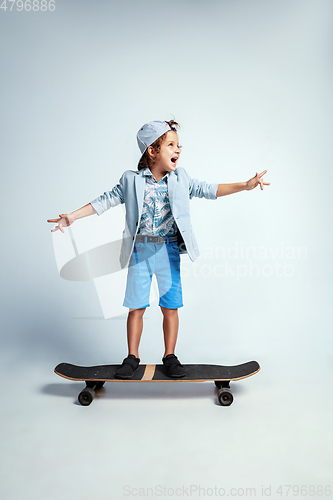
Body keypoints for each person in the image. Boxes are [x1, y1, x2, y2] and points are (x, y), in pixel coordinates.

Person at [47, 119, 269, 379]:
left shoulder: (181, 178)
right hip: (140, 251)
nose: (178, 150)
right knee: (136, 307)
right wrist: (72, 217)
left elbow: (208, 189)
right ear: (152, 151)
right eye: (171, 145)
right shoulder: (131, 180)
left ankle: (170, 356)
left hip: (169, 250)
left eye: (179, 145)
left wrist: (244, 185)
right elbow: (105, 200)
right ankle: (132, 357)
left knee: (170, 306)